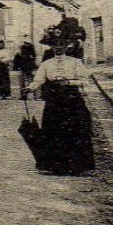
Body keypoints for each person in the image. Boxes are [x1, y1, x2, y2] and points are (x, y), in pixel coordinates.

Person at [27, 45, 97, 175]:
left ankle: (78, 166)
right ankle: (53, 166)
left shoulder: (75, 62)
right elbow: (39, 80)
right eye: (55, 46)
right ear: (52, 49)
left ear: (66, 48)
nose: (58, 49)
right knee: (52, 129)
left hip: (72, 99)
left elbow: (85, 81)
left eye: (61, 46)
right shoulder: (47, 64)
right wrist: (30, 88)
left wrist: (69, 82)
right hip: (54, 99)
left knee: (75, 129)